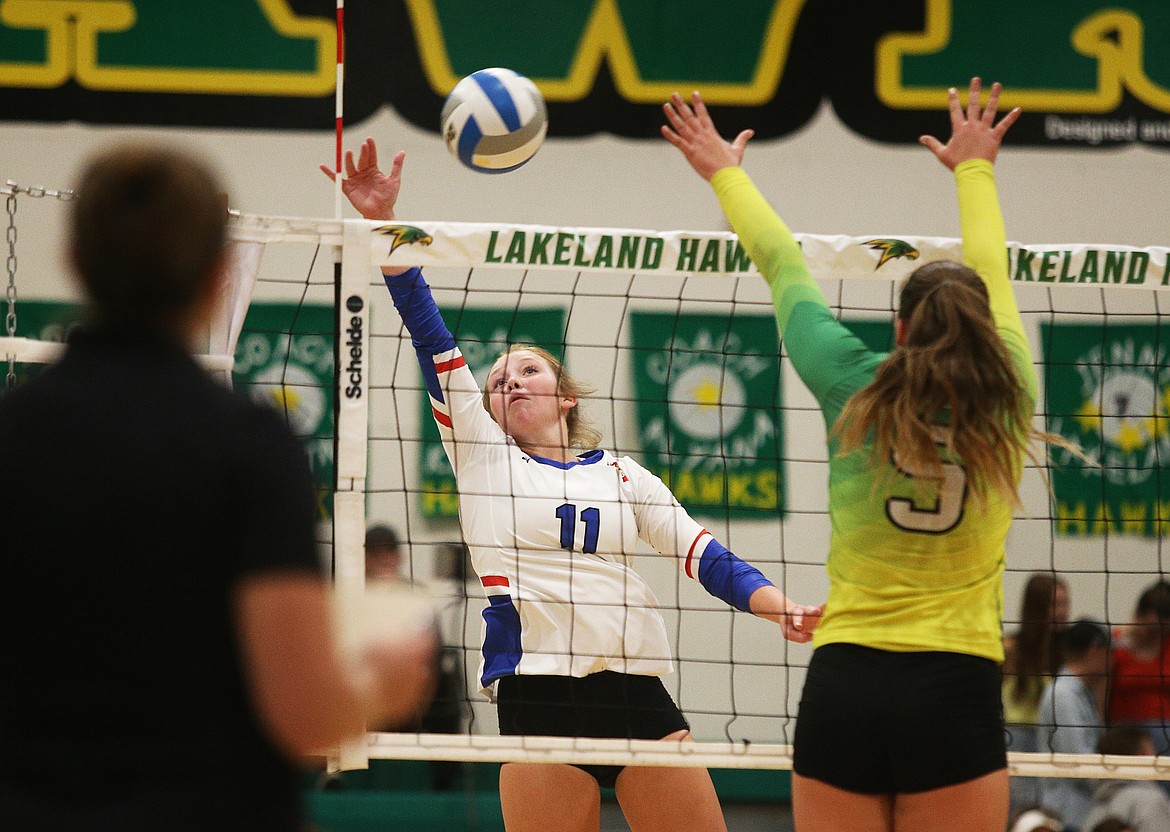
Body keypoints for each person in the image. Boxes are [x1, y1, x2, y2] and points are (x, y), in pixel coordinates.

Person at [322, 137, 823, 832]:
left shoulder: (624, 474)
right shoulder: (482, 457)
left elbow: (705, 557)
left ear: (564, 397)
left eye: (528, 369)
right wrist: (384, 225)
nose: (508, 379)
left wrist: (783, 610)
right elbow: (430, 334)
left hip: (635, 691)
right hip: (537, 694)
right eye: (498, 379)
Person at [0, 143, 436, 832]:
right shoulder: (248, 445)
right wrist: (386, 683)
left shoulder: (14, 435)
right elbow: (303, 717)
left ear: (76, 262)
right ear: (217, 276)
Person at [664, 77, 1036, 832]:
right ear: (983, 328)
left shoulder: (850, 382)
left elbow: (783, 266)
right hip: (956, 687)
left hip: (848, 684)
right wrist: (975, 167)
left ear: (899, 332)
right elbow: (995, 270)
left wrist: (724, 171)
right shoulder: (1011, 393)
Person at [1004, 574, 1073, 813]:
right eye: (1056, 604)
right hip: (1017, 736)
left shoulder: (1069, 653)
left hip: (1057, 736)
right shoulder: (1011, 649)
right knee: (1022, 808)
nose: (1063, 611)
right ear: (1037, 607)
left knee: (1054, 808)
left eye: (1066, 603)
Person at [1036, 619, 1112, 831]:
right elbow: (1079, 760)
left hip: (1081, 811)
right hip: (1067, 814)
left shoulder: (1081, 693)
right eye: (1108, 652)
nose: (1111, 660)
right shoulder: (1063, 694)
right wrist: (1114, 786)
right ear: (1095, 651)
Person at [1109, 580, 1170, 755]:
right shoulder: (1117, 645)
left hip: (1165, 732)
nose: (1153, 634)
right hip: (1125, 734)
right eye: (1150, 628)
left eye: (1161, 629)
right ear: (1139, 615)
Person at [1083, 726, 1170, 832]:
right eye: (1152, 750)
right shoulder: (1150, 801)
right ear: (1141, 755)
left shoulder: (1096, 806)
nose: (1156, 755)